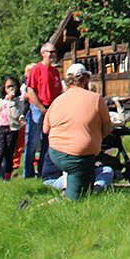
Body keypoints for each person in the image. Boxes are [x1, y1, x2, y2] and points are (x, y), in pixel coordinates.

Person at [44, 62, 113, 201]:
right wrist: (95, 137)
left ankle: (72, 191)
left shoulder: (58, 100)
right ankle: (40, 207)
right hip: (77, 157)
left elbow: (46, 129)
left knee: (86, 190)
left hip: (57, 152)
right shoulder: (95, 99)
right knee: (74, 199)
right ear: (86, 79)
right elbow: (107, 126)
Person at [24, 42, 63, 178]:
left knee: (47, 142)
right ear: (43, 53)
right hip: (38, 108)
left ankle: (43, 171)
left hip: (51, 109)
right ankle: (28, 173)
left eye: (54, 52)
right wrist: (41, 108)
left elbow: (58, 92)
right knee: (33, 142)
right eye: (50, 52)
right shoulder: (36, 69)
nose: (52, 55)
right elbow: (31, 91)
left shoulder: (55, 72)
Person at [0, 77, 24, 180]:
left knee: (9, 152)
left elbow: (17, 114)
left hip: (12, 129)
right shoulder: (1, 101)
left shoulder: (18, 101)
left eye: (12, 86)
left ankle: (7, 176)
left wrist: (11, 101)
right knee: (0, 151)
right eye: (8, 87)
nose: (10, 89)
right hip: (1, 128)